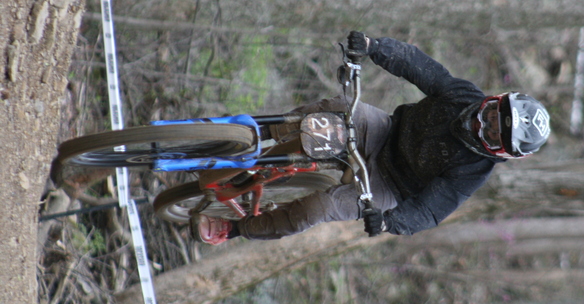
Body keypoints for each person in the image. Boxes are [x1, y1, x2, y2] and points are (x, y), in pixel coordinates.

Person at [192, 32, 551, 244]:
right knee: (334, 108)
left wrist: (389, 222)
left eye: (492, 131)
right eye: (491, 114)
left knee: (316, 210)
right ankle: (244, 133)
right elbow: (418, 65)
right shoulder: (463, 96)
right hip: (383, 131)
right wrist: (374, 46)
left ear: (500, 150)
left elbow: (428, 211)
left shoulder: (473, 170)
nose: (483, 123)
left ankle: (236, 229)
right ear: (493, 101)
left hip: (385, 186)